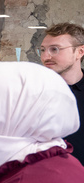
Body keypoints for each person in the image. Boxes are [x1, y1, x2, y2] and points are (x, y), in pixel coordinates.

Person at [40, 22, 84, 165]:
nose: (46, 56)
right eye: (42, 50)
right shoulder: (34, 92)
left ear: (80, 52)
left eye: (55, 49)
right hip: (46, 177)